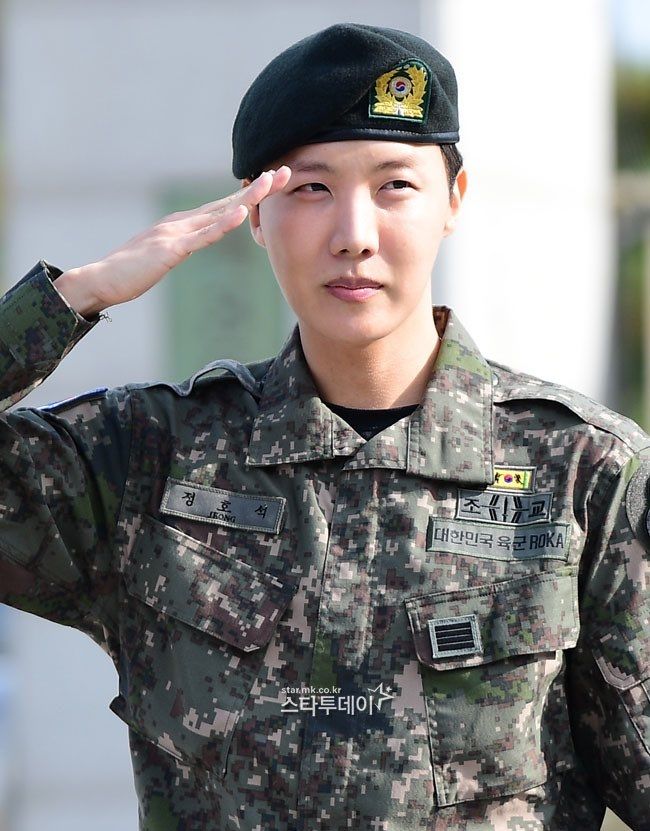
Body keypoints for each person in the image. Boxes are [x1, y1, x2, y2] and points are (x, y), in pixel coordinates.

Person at [1, 21, 649, 831]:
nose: (354, 235)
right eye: (310, 189)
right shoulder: (151, 460)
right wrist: (75, 296)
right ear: (255, 214)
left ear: (454, 200)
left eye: (394, 185)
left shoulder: (583, 471)